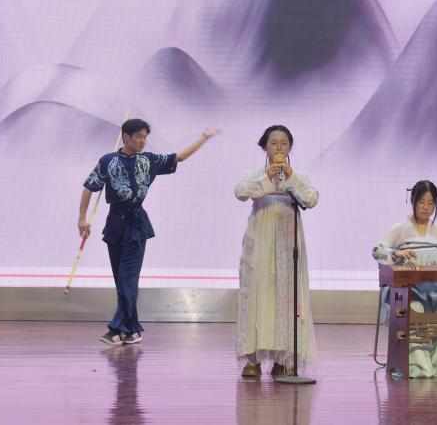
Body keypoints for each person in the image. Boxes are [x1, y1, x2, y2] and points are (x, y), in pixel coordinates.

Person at [79, 119, 221, 346]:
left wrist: (203, 138)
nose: (143, 141)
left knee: (127, 278)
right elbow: (89, 187)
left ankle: (116, 329)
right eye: (138, 136)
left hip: (137, 225)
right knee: (122, 281)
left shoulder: (148, 160)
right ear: (125, 137)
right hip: (114, 223)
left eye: (145, 137)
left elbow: (179, 157)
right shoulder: (107, 161)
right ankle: (133, 330)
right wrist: (82, 219)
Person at [233, 124, 319, 378]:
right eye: (273, 143)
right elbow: (240, 192)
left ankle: (285, 358)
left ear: (290, 147)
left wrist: (290, 179)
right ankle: (253, 358)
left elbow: (311, 199)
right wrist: (267, 179)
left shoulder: (298, 177)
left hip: (288, 242)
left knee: (287, 296)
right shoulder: (257, 174)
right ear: (265, 147)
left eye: (284, 143)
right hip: (260, 241)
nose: (279, 148)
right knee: (257, 293)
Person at [372, 180, 437, 378]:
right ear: (413, 201)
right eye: (421, 202)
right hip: (410, 287)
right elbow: (377, 251)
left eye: (430, 203)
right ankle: (419, 366)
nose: (426, 208)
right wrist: (396, 254)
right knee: (414, 310)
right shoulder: (401, 228)